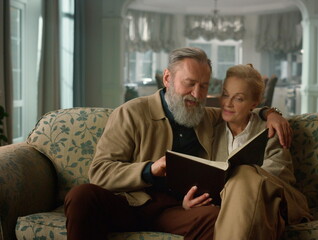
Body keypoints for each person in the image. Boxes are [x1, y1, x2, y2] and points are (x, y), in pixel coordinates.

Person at [64, 47, 291, 240]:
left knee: (218, 220)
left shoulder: (206, 116)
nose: (196, 93)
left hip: (175, 210)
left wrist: (270, 114)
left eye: (203, 86)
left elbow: (241, 109)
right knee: (82, 195)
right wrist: (150, 169)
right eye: (190, 83)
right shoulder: (131, 113)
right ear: (167, 78)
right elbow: (100, 172)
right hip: (129, 204)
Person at [182, 64, 312, 239]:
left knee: (243, 173)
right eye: (225, 94)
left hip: (272, 202)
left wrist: (239, 182)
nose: (227, 103)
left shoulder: (270, 130)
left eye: (239, 99)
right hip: (227, 209)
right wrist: (190, 199)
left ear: (254, 103)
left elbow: (280, 179)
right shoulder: (211, 130)